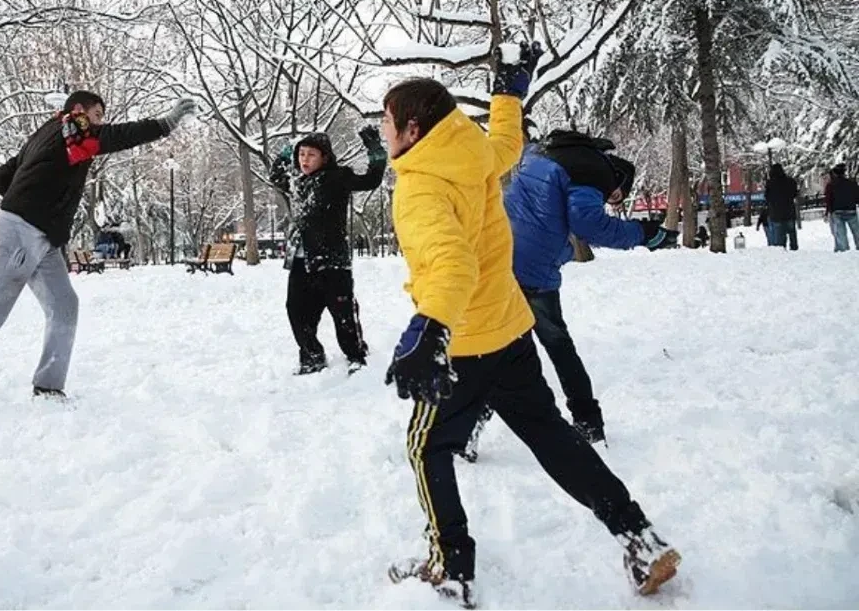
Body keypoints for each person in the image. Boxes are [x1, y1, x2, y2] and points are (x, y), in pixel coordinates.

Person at [379, 43, 679, 607]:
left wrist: (430, 327)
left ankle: (449, 568)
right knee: (549, 434)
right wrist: (509, 94)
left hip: (464, 341)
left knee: (426, 448)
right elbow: (506, 144)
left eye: (386, 123)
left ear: (413, 130)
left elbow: (450, 262)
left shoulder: (420, 184)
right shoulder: (470, 153)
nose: (382, 133)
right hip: (511, 330)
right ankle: (638, 536)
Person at [0, 92, 197, 416]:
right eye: (98, 114)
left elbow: (3, 176)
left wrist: (34, 194)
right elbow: (117, 136)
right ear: (79, 110)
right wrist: (166, 123)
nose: (100, 123)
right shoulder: (75, 128)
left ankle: (48, 386)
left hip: (41, 237)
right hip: (23, 232)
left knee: (63, 305)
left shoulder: (49, 132)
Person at [489, 130, 678, 446]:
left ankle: (466, 426)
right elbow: (588, 224)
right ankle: (588, 421)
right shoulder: (594, 172)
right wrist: (642, 233)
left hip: (497, 254)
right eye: (615, 195)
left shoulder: (544, 151)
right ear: (616, 179)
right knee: (558, 344)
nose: (611, 200)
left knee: (492, 346)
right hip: (533, 268)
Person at [268, 126, 387, 375]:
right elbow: (276, 175)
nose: (305, 160)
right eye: (301, 155)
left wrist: (374, 149)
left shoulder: (337, 177)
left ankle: (355, 355)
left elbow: (372, 179)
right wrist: (287, 150)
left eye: (311, 155)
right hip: (302, 259)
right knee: (297, 311)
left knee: (342, 313)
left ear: (324, 157)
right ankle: (312, 357)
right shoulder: (297, 183)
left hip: (332, 260)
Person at [764, 163, 799, 251]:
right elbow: (795, 193)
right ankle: (794, 249)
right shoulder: (790, 181)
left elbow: (767, 197)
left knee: (779, 235)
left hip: (776, 213)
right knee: (792, 233)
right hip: (789, 211)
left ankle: (782, 251)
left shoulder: (770, 183)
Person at [825, 164, 859, 251]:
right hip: (851, 210)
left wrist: (828, 212)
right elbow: (857, 197)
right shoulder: (852, 183)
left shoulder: (831, 185)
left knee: (841, 233)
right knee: (856, 231)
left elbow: (829, 200)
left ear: (835, 174)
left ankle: (844, 250)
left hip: (837, 211)